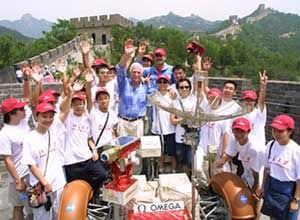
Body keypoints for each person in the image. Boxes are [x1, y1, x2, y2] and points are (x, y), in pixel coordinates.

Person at [22, 94, 71, 219]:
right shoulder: (29, 138)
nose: (48, 119)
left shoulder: (54, 131)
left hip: (58, 183)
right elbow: (31, 164)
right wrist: (45, 182)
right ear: (37, 116)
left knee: (58, 214)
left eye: (50, 116)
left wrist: (70, 92)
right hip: (40, 186)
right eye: (44, 116)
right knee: (42, 217)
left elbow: (65, 110)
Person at [63, 91, 107, 200]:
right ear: (71, 106)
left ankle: (91, 196)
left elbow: (89, 138)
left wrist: (94, 150)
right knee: (73, 190)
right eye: (75, 104)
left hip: (87, 158)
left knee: (102, 175)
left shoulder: (87, 119)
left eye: (81, 103)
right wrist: (69, 90)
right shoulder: (67, 118)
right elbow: (63, 106)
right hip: (71, 161)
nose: (78, 106)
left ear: (84, 104)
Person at [258, 114, 300, 220]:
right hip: (272, 187)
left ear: (290, 131)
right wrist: (262, 186)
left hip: (288, 190)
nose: (276, 134)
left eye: (280, 131)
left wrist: (296, 200)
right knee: (273, 217)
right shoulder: (271, 145)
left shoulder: (296, 151)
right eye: (274, 130)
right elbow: (267, 169)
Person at [0, 98, 32, 220]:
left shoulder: (22, 122)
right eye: (21, 109)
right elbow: (7, 159)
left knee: (23, 205)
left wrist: (27, 80)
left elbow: (28, 98)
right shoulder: (5, 133)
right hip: (20, 178)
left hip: (29, 174)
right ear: (12, 113)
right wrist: (18, 180)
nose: (24, 110)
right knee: (24, 206)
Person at [116, 39, 154, 137]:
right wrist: (127, 55)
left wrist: (148, 84)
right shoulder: (123, 84)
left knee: (137, 151)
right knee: (122, 150)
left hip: (138, 123)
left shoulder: (145, 87)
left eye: (138, 72)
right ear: (130, 73)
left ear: (142, 74)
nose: (136, 74)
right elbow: (120, 69)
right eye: (134, 72)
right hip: (123, 123)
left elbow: (152, 99)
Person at [215, 117, 264, 195]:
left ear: (248, 131)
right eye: (236, 130)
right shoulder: (235, 140)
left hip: (259, 175)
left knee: (253, 198)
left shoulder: (254, 149)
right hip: (247, 170)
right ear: (232, 130)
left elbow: (256, 173)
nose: (238, 134)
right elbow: (228, 155)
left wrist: (254, 191)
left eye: (242, 131)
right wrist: (218, 165)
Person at [151, 75, 176, 173]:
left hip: (170, 128)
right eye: (160, 82)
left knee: (172, 152)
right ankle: (160, 169)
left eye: (164, 82)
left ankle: (174, 170)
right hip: (157, 128)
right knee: (159, 151)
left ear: (168, 84)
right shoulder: (154, 95)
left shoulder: (172, 96)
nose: (162, 84)